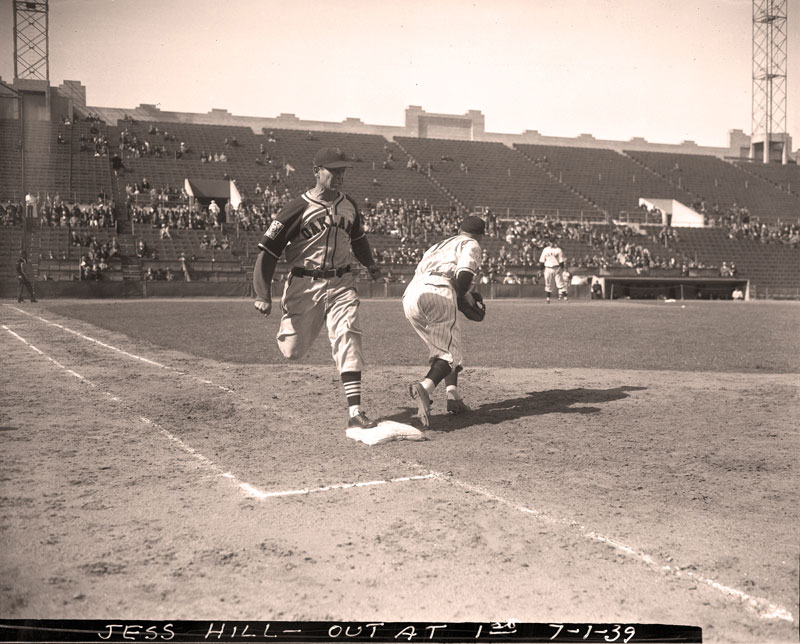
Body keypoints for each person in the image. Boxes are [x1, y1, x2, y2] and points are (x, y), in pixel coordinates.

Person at [253, 146, 382, 431]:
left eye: (342, 171)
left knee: (348, 334)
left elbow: (358, 239)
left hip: (341, 283)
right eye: (333, 170)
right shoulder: (296, 208)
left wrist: (370, 264)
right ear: (316, 172)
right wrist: (263, 294)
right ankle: (300, 324)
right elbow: (267, 251)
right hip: (305, 284)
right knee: (292, 351)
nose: (339, 175)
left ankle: (355, 410)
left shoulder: (349, 205)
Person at [403, 215, 486, 428]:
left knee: (446, 346)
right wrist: (467, 299)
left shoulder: (437, 246)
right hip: (438, 290)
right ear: (480, 235)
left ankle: (453, 397)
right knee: (446, 353)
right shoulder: (471, 243)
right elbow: (463, 277)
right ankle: (425, 387)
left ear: (459, 229)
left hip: (411, 294)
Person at [539, 236, 567, 303]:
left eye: (553, 242)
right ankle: (548, 299)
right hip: (548, 268)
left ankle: (566, 298)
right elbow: (542, 260)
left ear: (555, 242)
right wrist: (540, 269)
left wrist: (560, 268)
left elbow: (561, 261)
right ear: (548, 242)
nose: (551, 243)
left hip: (556, 268)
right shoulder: (545, 250)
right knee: (548, 284)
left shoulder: (558, 250)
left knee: (560, 283)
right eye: (550, 242)